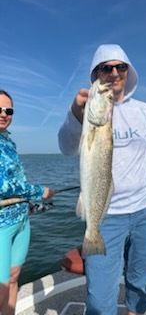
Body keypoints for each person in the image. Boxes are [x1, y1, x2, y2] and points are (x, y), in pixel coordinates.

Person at [58, 44, 146, 315]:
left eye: (120, 67)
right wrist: (76, 113)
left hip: (145, 209)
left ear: (128, 71)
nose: (113, 73)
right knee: (99, 297)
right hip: (106, 215)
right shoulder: (87, 110)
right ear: (96, 74)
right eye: (105, 68)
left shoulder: (144, 110)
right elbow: (66, 146)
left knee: (141, 280)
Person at [0, 90, 54, 315]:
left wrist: (29, 204)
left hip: (21, 220)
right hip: (2, 226)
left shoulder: (8, 142)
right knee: (1, 289)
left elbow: (17, 179)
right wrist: (40, 192)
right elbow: (3, 186)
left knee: (14, 279)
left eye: (8, 110)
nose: (3, 114)